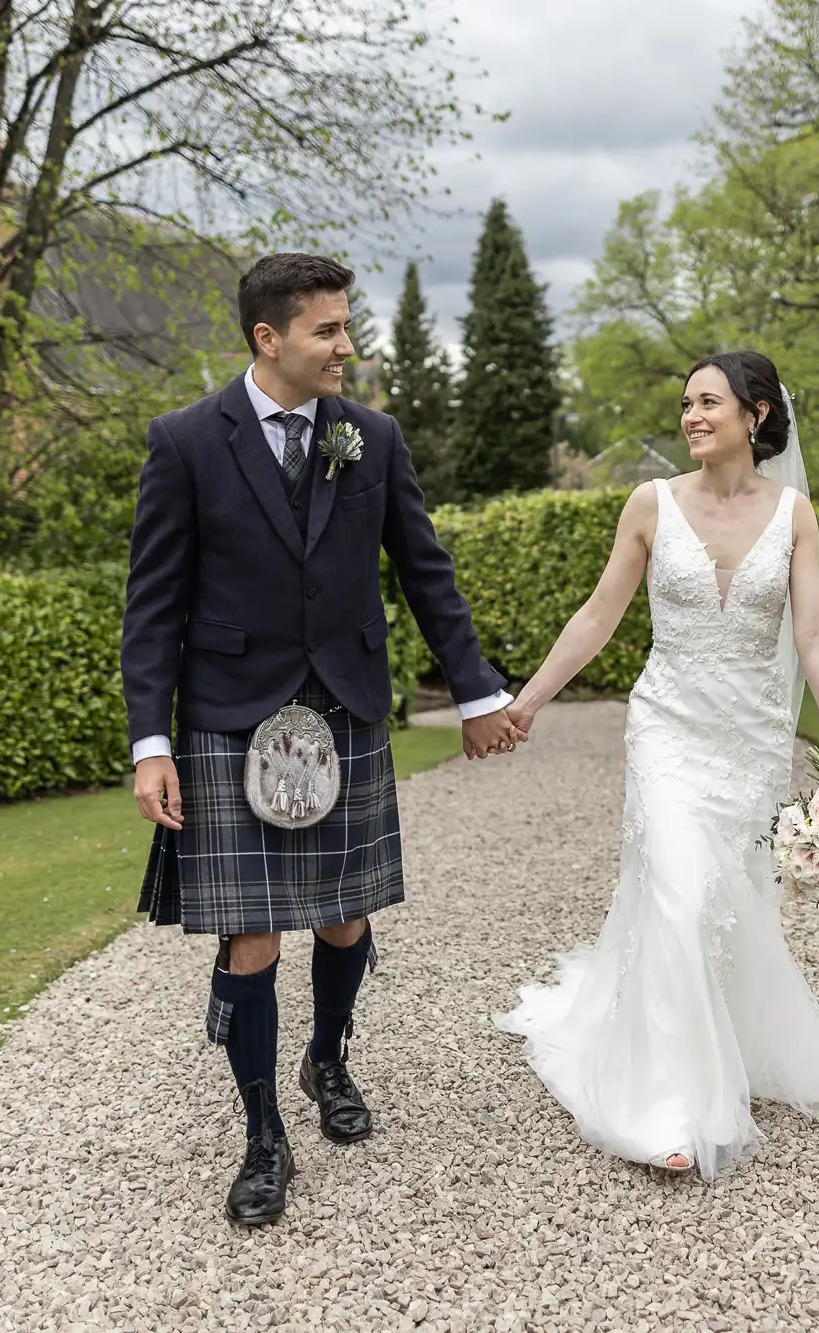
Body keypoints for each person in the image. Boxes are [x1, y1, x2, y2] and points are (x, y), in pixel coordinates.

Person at [123, 252, 523, 1226]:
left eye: (347, 326)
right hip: (230, 714)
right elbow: (153, 604)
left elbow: (426, 572)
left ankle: (327, 1058)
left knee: (344, 915)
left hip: (344, 706)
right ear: (269, 338)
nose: (347, 345)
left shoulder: (370, 439)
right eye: (328, 329)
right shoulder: (185, 441)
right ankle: (262, 1132)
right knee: (252, 933)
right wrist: (149, 743)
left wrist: (476, 690)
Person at [494, 351, 819, 1179]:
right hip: (667, 728)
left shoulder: (795, 514)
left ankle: (713, 1043)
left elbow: (813, 632)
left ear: (755, 415)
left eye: (709, 402)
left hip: (753, 740)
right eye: (687, 403)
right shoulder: (650, 503)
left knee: (724, 904)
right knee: (679, 891)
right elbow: (599, 614)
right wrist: (529, 701)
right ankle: (664, 1103)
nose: (692, 416)